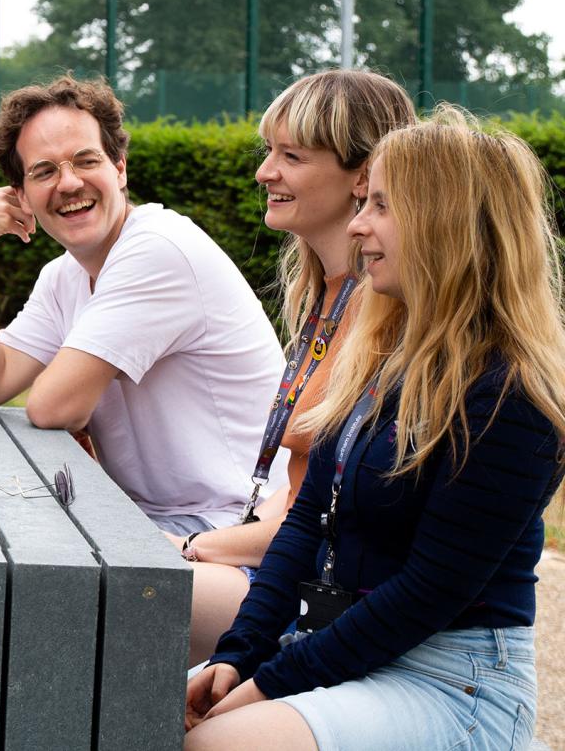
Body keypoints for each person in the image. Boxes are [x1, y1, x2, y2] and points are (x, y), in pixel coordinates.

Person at [185, 105, 565, 751]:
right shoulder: (382, 355)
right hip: (338, 644)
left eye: (381, 205)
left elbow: (426, 595)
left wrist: (265, 685)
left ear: (445, 225)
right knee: (124, 702)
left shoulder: (512, 393)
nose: (358, 223)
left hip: (452, 681)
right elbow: (305, 522)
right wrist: (239, 653)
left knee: (218, 742)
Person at [0, 75, 286, 535]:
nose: (69, 183)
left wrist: (67, 397)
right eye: (44, 171)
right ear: (20, 195)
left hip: (234, 529)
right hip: (155, 522)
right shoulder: (63, 276)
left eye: (86, 160)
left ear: (120, 169)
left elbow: (54, 407)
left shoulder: (159, 248)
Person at [173, 71, 416, 663]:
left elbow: (336, 519)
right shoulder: (323, 295)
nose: (265, 172)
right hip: (281, 559)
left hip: (310, 589)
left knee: (110, 598)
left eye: (292, 156)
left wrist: (204, 544)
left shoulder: (386, 310)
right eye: (268, 152)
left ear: (363, 176)